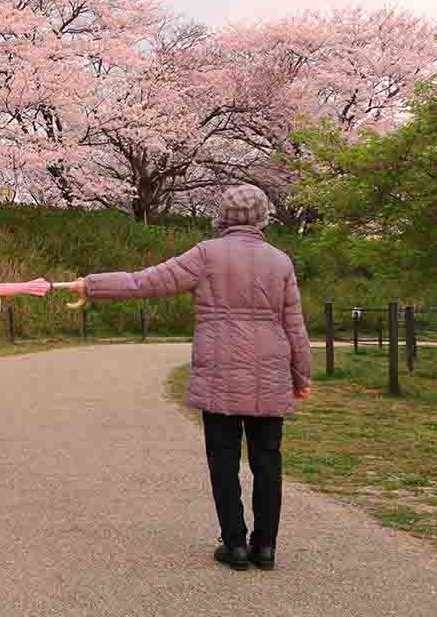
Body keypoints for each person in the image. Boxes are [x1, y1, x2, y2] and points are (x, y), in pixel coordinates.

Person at [66, 184, 311, 571]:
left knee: (224, 461)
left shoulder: (205, 255)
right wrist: (301, 376)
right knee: (268, 460)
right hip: (270, 374)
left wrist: (92, 284)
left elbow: (143, 282)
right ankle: (265, 546)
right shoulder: (280, 261)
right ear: (264, 215)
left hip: (218, 373)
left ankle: (234, 545)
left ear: (223, 216)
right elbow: (294, 326)